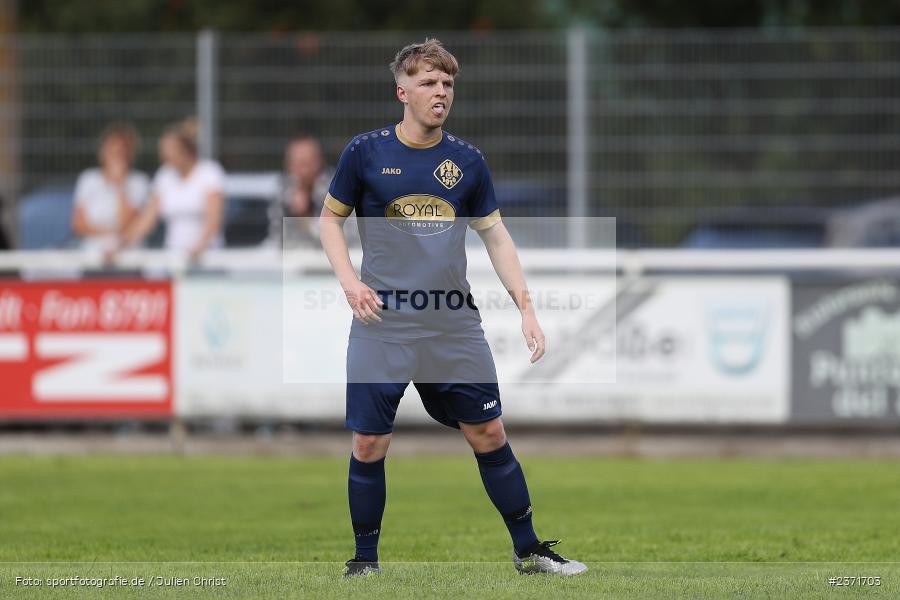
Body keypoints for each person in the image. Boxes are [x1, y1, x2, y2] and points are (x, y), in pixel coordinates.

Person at [319, 39, 587, 577]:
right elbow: (330, 220)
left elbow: (497, 238)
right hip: (383, 324)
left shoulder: (466, 160)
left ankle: (529, 550)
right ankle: (364, 562)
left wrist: (526, 308)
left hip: (451, 324)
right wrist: (349, 281)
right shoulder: (365, 152)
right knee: (370, 442)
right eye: (428, 83)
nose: (440, 93)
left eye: (447, 85)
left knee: (488, 433)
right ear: (403, 92)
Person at [120, 119, 225, 260]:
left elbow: (214, 218)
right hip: (174, 255)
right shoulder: (164, 175)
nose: (164, 156)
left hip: (206, 256)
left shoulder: (209, 172)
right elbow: (147, 219)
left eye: (170, 150)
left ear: (186, 150)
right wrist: (122, 244)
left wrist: (200, 246)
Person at [71, 123, 149, 252]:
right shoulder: (88, 179)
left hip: (130, 257)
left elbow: (127, 222)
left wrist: (120, 186)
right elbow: (78, 224)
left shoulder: (139, 182)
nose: (116, 156)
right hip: (93, 256)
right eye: (112, 150)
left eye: (121, 152)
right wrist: (111, 233)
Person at [271, 134, 334, 247]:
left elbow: (331, 241)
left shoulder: (334, 189)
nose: (302, 171)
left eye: (306, 163)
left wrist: (304, 216)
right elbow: (277, 237)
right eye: (295, 164)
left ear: (319, 162)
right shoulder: (284, 188)